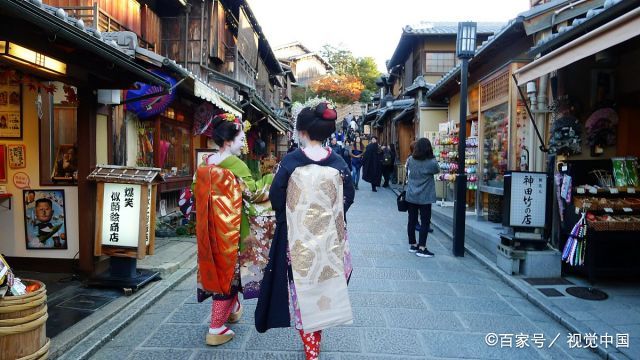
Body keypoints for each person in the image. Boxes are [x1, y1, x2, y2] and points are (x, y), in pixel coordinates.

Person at [256, 101, 355, 360]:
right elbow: (348, 197)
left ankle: (311, 346)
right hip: (331, 239)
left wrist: (288, 218)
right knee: (324, 286)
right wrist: (331, 217)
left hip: (296, 238)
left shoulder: (290, 162)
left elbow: (276, 195)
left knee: (301, 289)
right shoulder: (339, 163)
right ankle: (314, 342)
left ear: (301, 132)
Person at [195, 113, 273, 346]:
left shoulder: (206, 162)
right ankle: (216, 328)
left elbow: (193, 191)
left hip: (210, 230)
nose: (244, 144)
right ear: (228, 141)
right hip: (234, 229)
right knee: (230, 276)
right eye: (241, 139)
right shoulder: (235, 165)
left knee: (220, 270)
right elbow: (253, 194)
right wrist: (270, 179)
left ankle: (233, 309)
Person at [405, 138, 439, 257]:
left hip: (411, 195)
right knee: (425, 222)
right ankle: (422, 248)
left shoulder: (410, 160)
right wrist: (432, 157)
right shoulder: (431, 163)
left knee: (411, 220)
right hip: (425, 197)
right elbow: (437, 170)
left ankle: (413, 245)